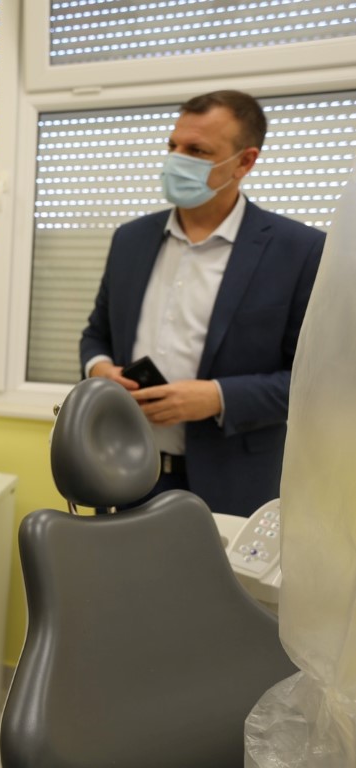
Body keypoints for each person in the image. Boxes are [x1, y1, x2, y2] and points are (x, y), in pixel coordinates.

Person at [80, 90, 324, 518]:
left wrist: (218, 397)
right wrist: (99, 370)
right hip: (124, 468)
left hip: (233, 484)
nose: (176, 159)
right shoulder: (130, 240)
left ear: (245, 162)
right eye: (172, 145)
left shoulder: (299, 250)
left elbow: (313, 382)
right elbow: (96, 334)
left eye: (196, 150)